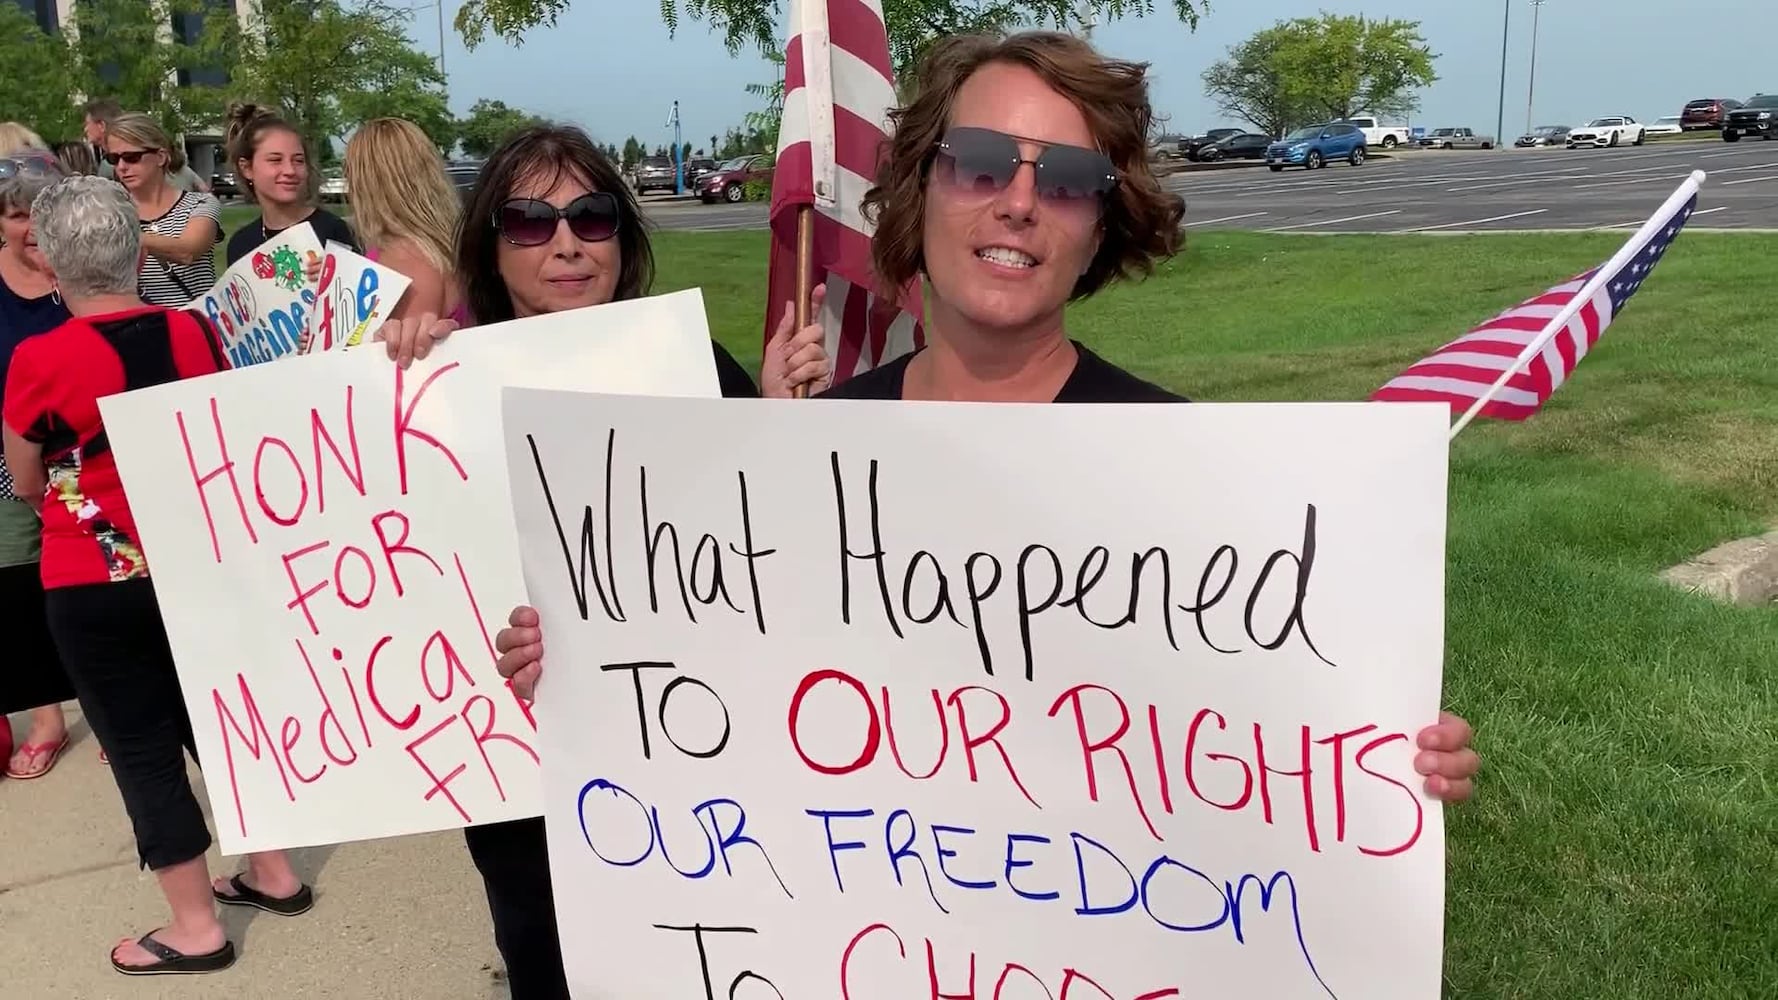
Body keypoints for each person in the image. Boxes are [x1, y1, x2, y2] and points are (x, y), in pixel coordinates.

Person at [487, 22, 1480, 852]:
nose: (1015, 199)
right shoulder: (796, 458)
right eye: (980, 163)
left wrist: (1377, 760)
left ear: (1102, 223)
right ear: (920, 193)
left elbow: (1265, 747)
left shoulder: (1192, 475)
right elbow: (712, 709)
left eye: (1066, 178)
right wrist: (583, 662)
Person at [374, 123, 831, 999]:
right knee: (548, 961)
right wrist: (389, 372)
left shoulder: (691, 367)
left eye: (591, 216)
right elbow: (390, 564)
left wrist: (774, 416)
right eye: (529, 222)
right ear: (491, 245)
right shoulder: (436, 381)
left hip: (691, 749)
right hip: (522, 771)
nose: (567, 245)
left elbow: (774, 550)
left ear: (623, 234)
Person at [1, 175, 313, 976]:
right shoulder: (193, 336)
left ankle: (195, 927)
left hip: (92, 581)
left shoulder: (39, 358)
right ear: (137, 252)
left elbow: (27, 478)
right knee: (219, 724)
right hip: (197, 565)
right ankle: (273, 870)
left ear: (55, 262)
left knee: (142, 750)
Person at [0, 147, 77, 779]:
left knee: (94, 584)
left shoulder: (79, 269)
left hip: (86, 454)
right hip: (11, 458)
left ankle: (110, 707)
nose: (29, 227)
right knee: (20, 585)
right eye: (15, 215)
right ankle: (48, 716)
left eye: (38, 213)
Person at [342, 117, 462, 320]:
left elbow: (402, 350)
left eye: (350, 173)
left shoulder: (406, 259)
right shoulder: (432, 246)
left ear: (368, 182)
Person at [104, 113, 222, 307]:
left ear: (160, 157)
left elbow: (188, 251)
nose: (122, 167)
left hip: (193, 327)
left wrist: (123, 236)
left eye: (132, 157)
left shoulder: (200, 203)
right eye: (113, 159)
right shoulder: (110, 213)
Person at [223, 103, 357, 266]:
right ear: (247, 168)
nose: (290, 170)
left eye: (298, 160)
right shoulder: (240, 245)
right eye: (275, 160)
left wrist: (338, 276)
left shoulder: (335, 231)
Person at [81, 98, 119, 179]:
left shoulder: (115, 163)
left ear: (102, 126)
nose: (85, 129)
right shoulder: (108, 159)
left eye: (87, 123)